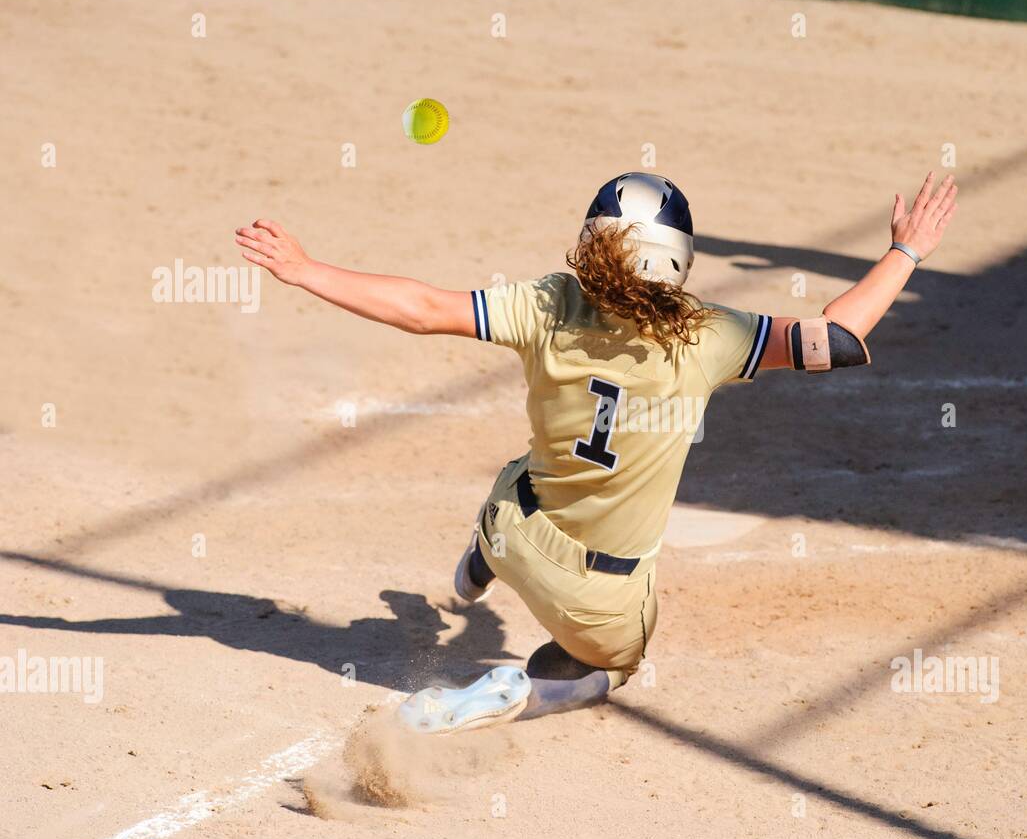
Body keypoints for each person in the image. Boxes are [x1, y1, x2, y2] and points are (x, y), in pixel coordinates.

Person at [235, 170, 957, 734]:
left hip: (518, 528)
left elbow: (423, 309)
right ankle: (517, 693)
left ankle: (482, 559)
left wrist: (306, 268)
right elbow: (837, 339)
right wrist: (906, 248)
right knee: (614, 666)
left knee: (520, 471)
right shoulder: (708, 336)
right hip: (599, 600)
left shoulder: (550, 303)